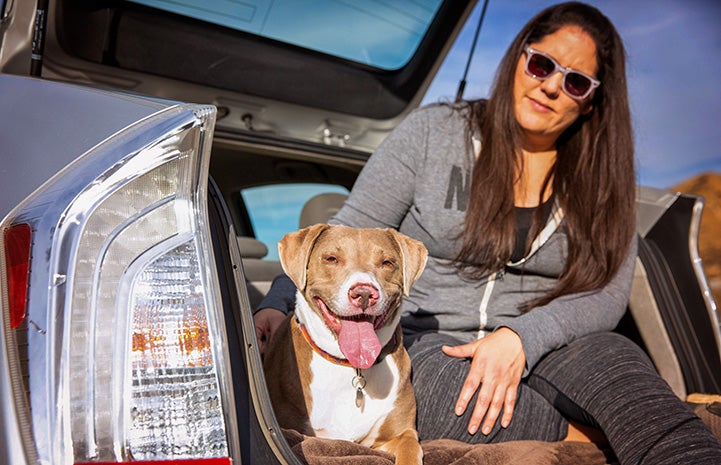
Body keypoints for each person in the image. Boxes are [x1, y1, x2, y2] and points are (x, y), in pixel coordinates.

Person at [253, 2, 721, 464]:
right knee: (445, 403)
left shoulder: (605, 178)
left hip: (560, 338)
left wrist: (520, 337)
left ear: (592, 101)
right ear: (519, 57)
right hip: (437, 336)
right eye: (542, 65)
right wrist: (276, 302)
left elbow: (607, 294)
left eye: (575, 82)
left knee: (628, 379)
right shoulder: (433, 134)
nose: (552, 87)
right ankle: (610, 436)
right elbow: (347, 230)